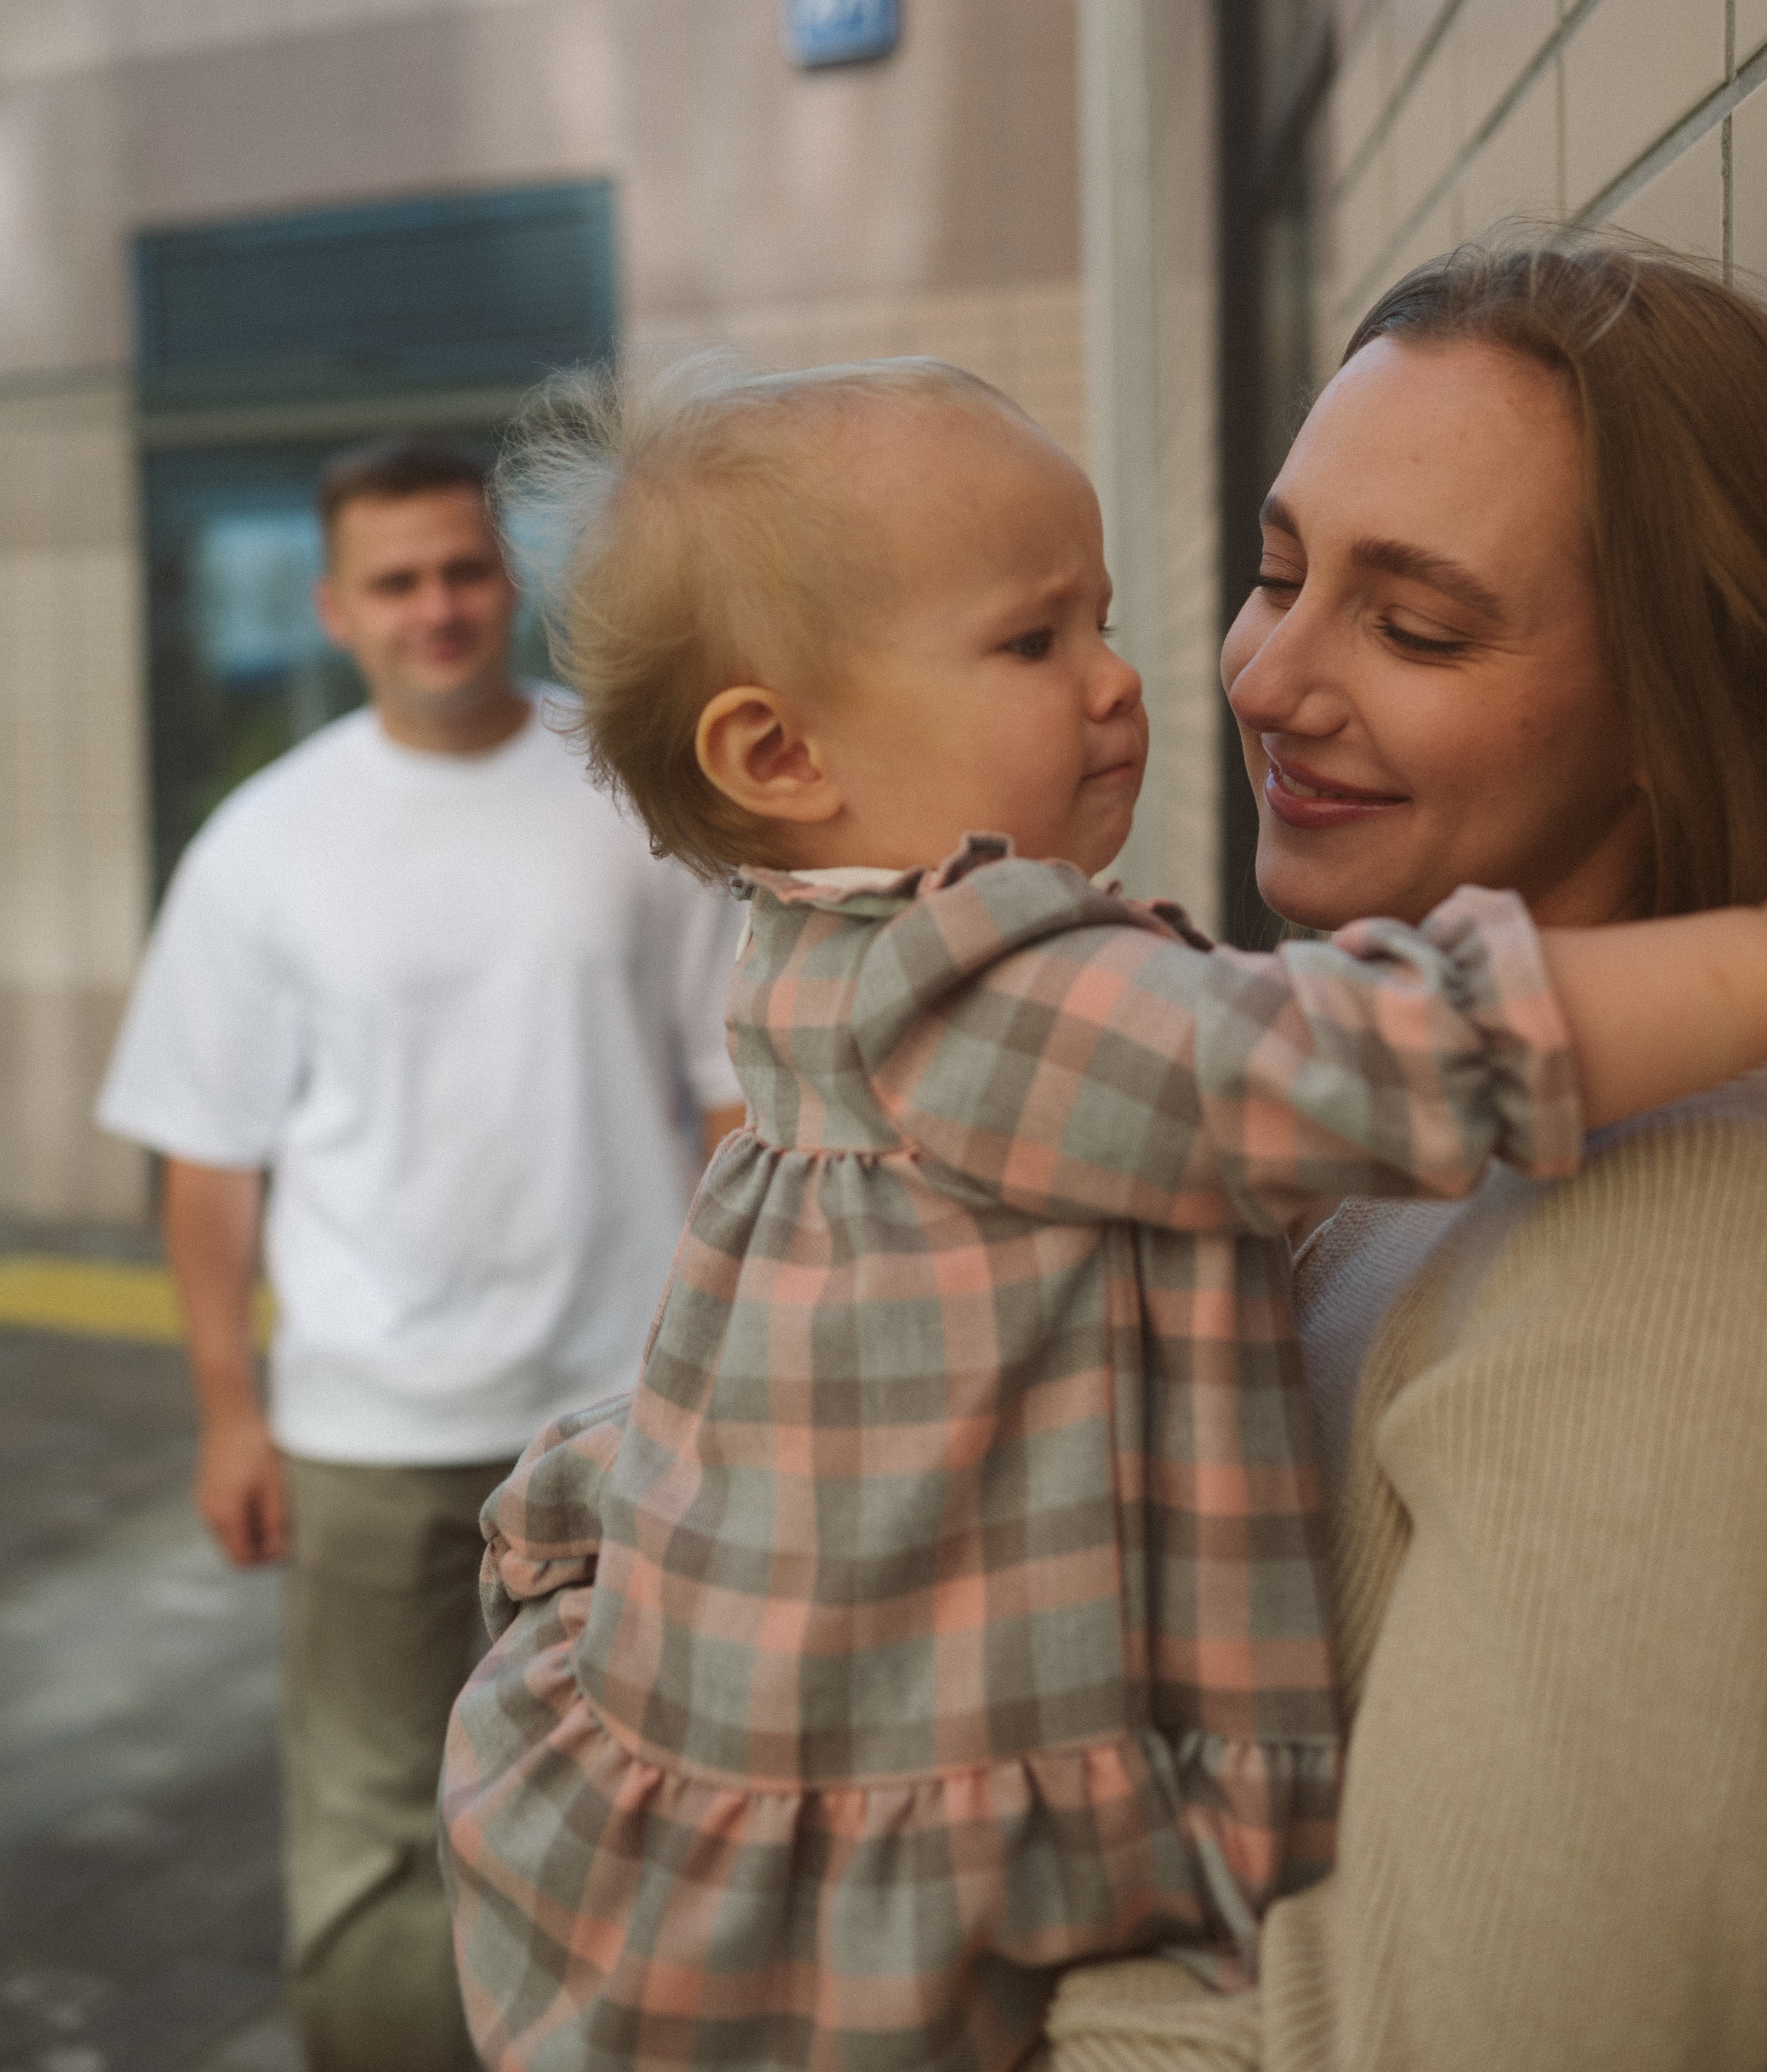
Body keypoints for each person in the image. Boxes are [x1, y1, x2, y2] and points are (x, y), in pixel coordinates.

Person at [436, 355, 1767, 2072]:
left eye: (1416, 625)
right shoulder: (976, 985)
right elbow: (1393, 1049)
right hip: (872, 1880)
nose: (1178, 683)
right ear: (779, 749)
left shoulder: (842, 958)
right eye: (1032, 641)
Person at [1044, 237, 1767, 2072]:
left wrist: (893, 1956)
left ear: (1679, 694)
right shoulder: (1363, 1100)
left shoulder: (1672, 1238)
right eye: (1278, 571)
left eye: (1418, 624)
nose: (1269, 676)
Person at [96, 437, 745, 2072]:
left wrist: (738, 1366)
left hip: (621, 1411)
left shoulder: (632, 789)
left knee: (638, 1804)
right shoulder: (262, 845)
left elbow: (735, 1095)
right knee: (378, 1830)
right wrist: (231, 1410)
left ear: (505, 577)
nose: (437, 605)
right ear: (334, 608)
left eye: (463, 568)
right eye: (396, 581)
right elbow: (209, 1159)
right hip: (369, 1430)